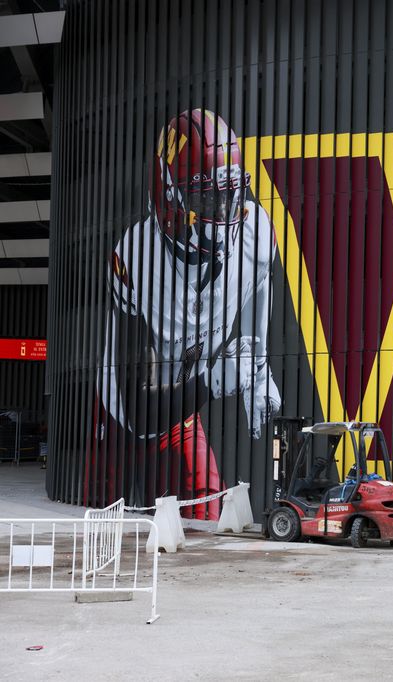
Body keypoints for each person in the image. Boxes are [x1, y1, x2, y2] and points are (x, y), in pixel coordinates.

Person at [88, 109, 281, 519]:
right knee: (103, 525)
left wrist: (258, 368)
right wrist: (212, 382)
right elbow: (138, 408)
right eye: (208, 197)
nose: (227, 210)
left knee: (204, 512)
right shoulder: (136, 258)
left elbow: (259, 282)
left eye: (231, 193)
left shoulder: (256, 233)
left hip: (182, 407)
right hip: (122, 414)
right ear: (169, 197)